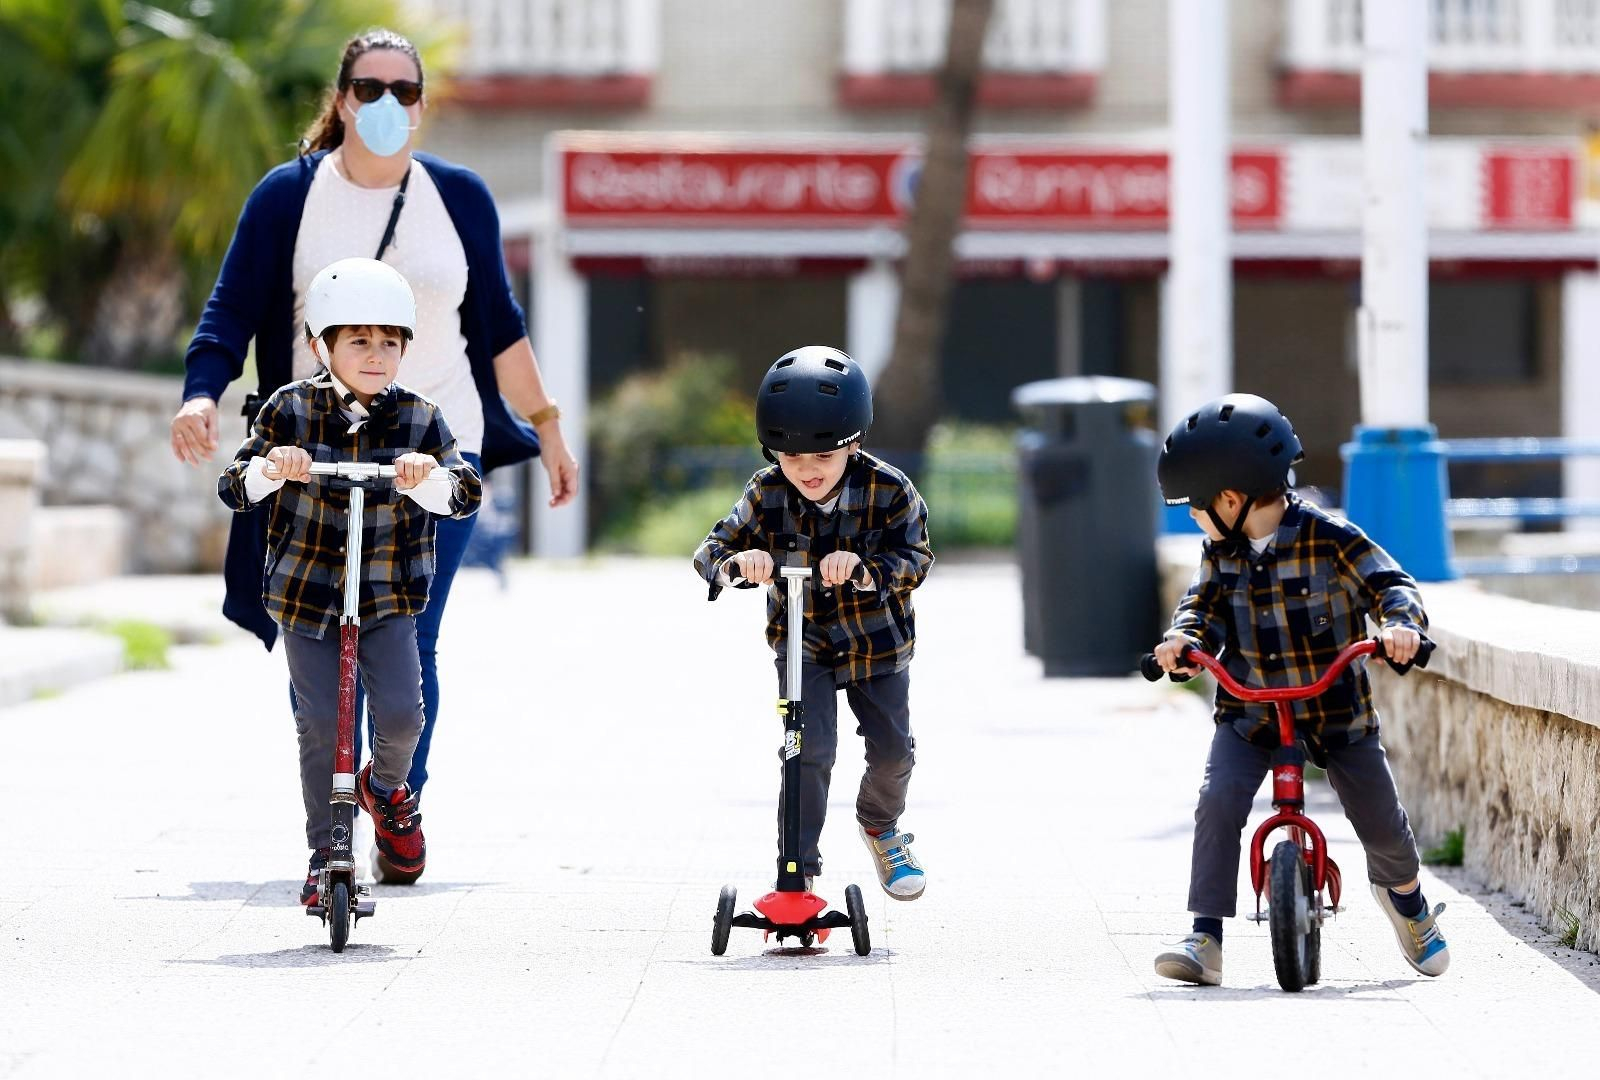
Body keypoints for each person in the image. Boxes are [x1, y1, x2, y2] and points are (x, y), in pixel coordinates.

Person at [170, 29, 577, 881]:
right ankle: (330, 830)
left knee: (408, 635)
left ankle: (395, 803)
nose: (387, 104)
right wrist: (202, 395)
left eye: (404, 89)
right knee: (316, 628)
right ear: (343, 97)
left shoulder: (458, 197)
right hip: (312, 453)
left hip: (432, 446)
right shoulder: (290, 196)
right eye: (369, 87)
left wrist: (546, 426)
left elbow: (497, 326)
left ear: (422, 104)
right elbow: (229, 312)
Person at [1149, 393, 1450, 986]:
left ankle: (1408, 904)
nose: (1192, 518)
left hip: (1335, 711)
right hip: (1251, 712)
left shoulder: (1330, 538)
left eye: (1197, 506)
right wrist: (1182, 645)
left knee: (1382, 824)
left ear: (1232, 500)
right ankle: (1205, 936)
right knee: (1218, 803)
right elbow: (1199, 609)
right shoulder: (1220, 550)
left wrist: (1400, 628)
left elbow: (1391, 584)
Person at [217, 258, 482, 903]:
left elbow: (465, 491)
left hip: (386, 596)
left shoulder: (420, 417)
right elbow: (237, 484)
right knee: (321, 725)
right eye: (359, 341)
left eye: (390, 343)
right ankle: (326, 852)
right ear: (321, 345)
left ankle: (387, 789)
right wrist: (272, 468)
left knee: (399, 715)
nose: (376, 355)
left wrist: (432, 480)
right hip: (307, 596)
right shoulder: (289, 410)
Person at [693, 346, 934, 899]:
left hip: (878, 645)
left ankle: (881, 827)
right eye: (791, 457)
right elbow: (711, 551)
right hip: (802, 645)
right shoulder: (765, 491)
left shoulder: (890, 490)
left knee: (894, 750)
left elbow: (917, 559)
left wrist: (868, 570)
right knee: (807, 748)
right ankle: (796, 873)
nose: (807, 471)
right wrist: (737, 565)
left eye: (822, 458)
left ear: (854, 442)